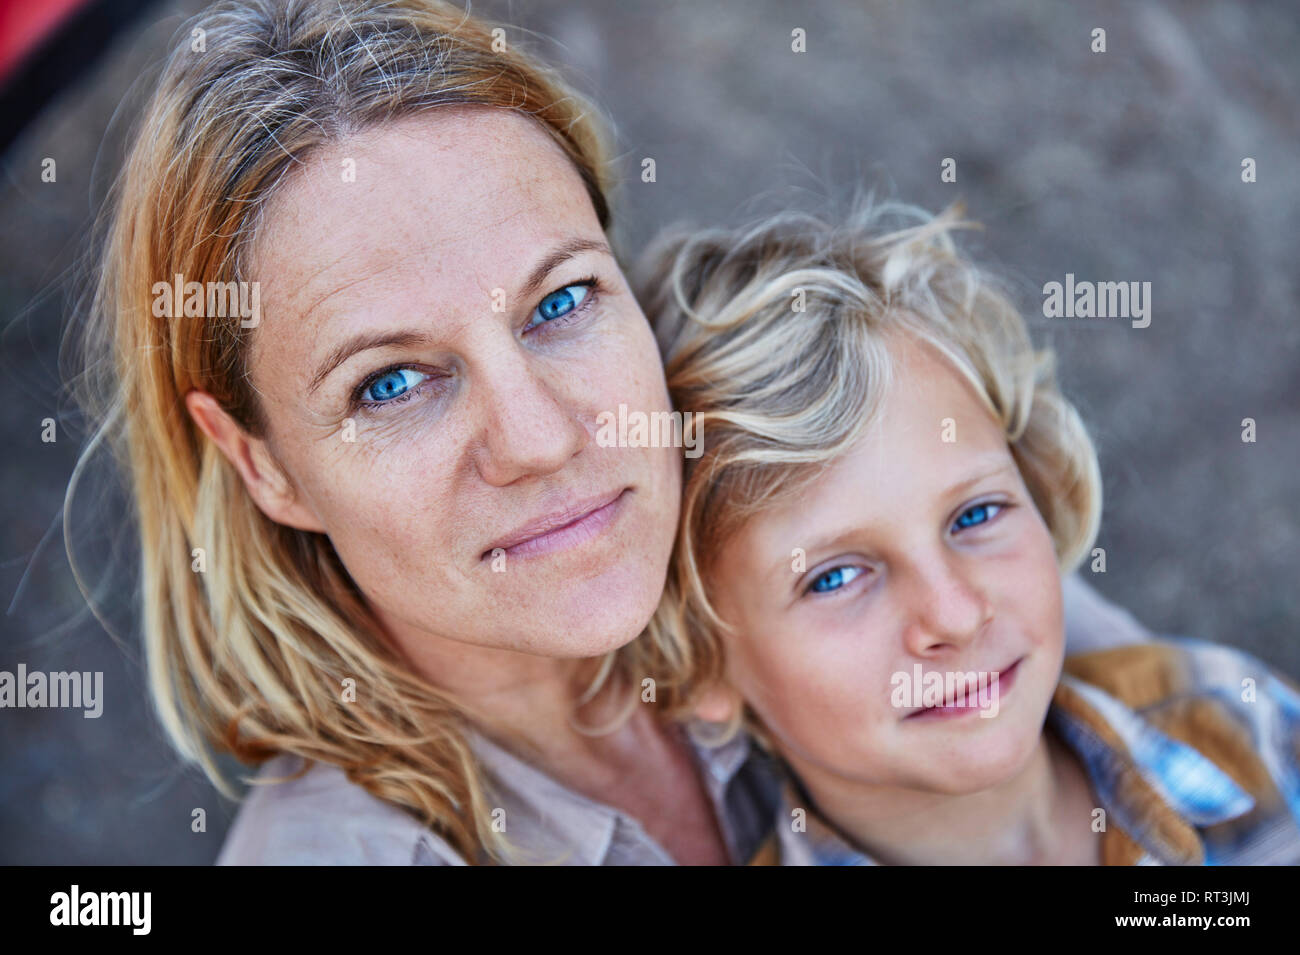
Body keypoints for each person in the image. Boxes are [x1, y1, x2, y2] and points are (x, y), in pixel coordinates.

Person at [68, 0, 1158, 865]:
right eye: (392, 382)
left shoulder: (791, 450)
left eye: (559, 304)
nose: (540, 440)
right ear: (262, 463)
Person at [636, 201, 1300, 865]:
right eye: (833, 576)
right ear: (699, 663)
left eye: (975, 515)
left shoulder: (1234, 718)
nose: (954, 613)